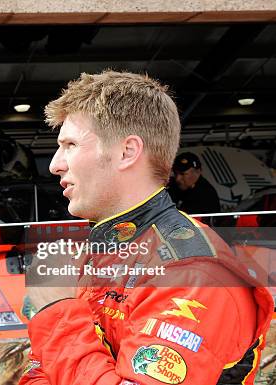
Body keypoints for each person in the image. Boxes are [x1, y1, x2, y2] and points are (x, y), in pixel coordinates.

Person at [21, 71, 273, 385]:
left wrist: (56, 312)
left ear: (127, 152)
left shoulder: (193, 275)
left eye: (70, 144)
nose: (55, 164)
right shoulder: (101, 249)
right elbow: (45, 370)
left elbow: (60, 348)